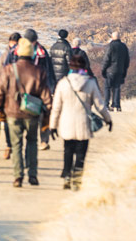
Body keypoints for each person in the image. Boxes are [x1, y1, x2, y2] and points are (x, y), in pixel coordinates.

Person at [0, 38, 53, 188]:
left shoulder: (9, 69)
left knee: (16, 145)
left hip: (13, 113)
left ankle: (18, 176)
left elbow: (0, 91)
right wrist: (48, 113)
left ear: (18, 53)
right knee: (32, 142)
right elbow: (46, 95)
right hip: (32, 113)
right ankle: (32, 174)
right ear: (31, 54)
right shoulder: (39, 71)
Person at [51, 51, 112, 190]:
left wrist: (52, 125)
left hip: (67, 123)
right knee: (81, 154)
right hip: (83, 123)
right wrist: (108, 120)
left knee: (67, 151)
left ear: (70, 66)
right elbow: (100, 105)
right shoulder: (90, 83)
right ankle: (77, 179)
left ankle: (67, 175)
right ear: (84, 66)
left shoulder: (63, 83)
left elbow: (56, 107)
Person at [24, 28, 55, 150]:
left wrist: (51, 87)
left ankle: (44, 140)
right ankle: (30, 139)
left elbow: (49, 69)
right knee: (29, 114)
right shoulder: (20, 51)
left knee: (44, 114)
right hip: (26, 87)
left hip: (41, 87)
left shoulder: (42, 52)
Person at [102, 31, 130, 111]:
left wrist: (103, 69)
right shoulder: (124, 46)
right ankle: (117, 105)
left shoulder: (111, 46)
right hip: (120, 70)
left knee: (107, 87)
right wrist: (124, 69)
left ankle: (106, 105)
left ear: (112, 37)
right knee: (117, 87)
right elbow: (127, 60)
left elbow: (106, 59)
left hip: (110, 70)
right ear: (119, 37)